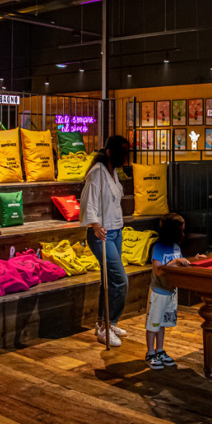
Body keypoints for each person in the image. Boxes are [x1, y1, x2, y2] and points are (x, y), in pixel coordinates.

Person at [80, 135, 130, 347]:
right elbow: (88, 201)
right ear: (109, 152)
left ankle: (104, 323)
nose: (125, 157)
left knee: (108, 279)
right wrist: (95, 225)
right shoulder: (97, 173)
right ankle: (107, 326)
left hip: (116, 230)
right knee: (120, 280)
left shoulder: (113, 172)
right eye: (121, 153)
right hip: (102, 233)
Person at [146, 213, 204, 369]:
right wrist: (175, 261)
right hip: (158, 293)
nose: (183, 234)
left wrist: (194, 260)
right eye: (181, 231)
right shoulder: (158, 248)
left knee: (162, 324)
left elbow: (181, 265)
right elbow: (158, 271)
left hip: (171, 292)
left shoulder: (176, 248)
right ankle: (150, 353)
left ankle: (159, 350)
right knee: (153, 324)